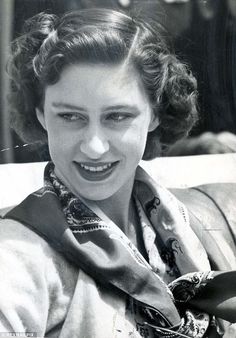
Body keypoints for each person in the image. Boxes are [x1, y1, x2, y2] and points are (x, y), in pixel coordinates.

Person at [1, 8, 236, 338]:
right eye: (70, 117)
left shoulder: (190, 229)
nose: (94, 147)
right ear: (41, 113)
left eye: (117, 117)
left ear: (154, 113)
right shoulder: (16, 255)